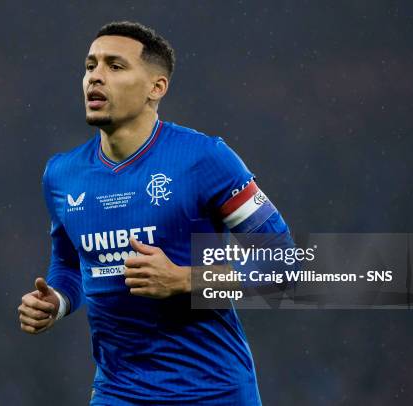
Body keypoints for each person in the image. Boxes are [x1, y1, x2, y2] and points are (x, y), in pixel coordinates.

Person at [18, 21, 292, 405]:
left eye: (115, 66)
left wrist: (184, 279)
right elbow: (70, 266)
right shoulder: (62, 175)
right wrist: (57, 302)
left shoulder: (204, 159)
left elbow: (282, 263)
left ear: (156, 87)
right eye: (90, 65)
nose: (95, 76)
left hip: (213, 392)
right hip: (118, 392)